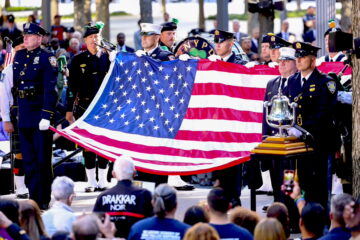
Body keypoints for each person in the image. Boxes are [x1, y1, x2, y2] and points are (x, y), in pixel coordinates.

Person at [285, 41, 338, 211]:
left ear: (313, 60)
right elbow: (287, 108)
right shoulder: (292, 81)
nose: (298, 60)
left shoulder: (325, 82)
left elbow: (324, 113)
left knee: (318, 187)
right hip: (296, 145)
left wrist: (302, 129)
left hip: (318, 143)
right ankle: (296, 220)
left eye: (303, 57)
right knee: (294, 183)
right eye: (297, 57)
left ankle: (319, 226)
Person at [13, 23, 58, 210]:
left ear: (39, 38)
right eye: (25, 35)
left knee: (42, 160)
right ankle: (33, 197)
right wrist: (15, 111)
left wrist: (47, 115)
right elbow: (16, 86)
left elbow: (51, 89)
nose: (25, 38)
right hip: (24, 115)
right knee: (29, 160)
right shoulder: (20, 55)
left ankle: (44, 198)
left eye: (30, 35)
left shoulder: (47, 58)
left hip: (40, 115)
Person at [66, 22, 111, 193]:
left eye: (96, 36)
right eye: (91, 37)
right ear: (85, 40)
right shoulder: (78, 60)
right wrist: (69, 110)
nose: (94, 40)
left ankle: (103, 179)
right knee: (88, 145)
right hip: (85, 106)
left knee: (104, 143)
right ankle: (91, 181)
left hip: (105, 108)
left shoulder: (108, 57)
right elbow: (72, 87)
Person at [93, 155, 153, 238]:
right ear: (134, 173)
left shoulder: (103, 197)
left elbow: (95, 227)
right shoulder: (144, 194)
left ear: (113, 174)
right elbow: (154, 224)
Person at [0, 36, 29, 199]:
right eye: (19, 49)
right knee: (19, 153)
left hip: (33, 113)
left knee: (33, 151)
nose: (22, 52)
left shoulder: (34, 66)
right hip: (16, 112)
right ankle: (20, 187)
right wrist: (6, 119)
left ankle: (30, 183)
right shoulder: (8, 70)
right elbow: (3, 96)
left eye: (24, 49)